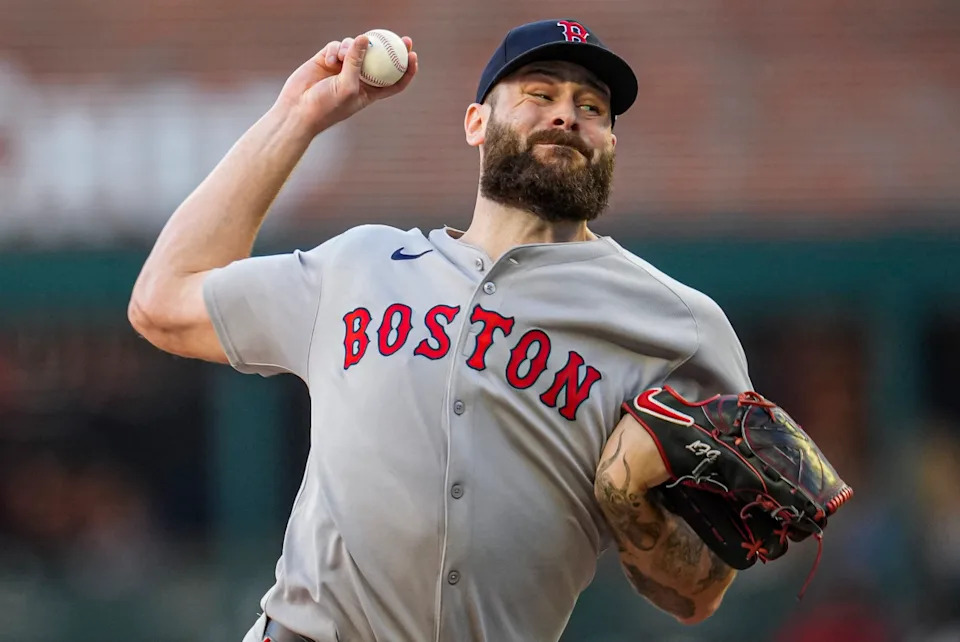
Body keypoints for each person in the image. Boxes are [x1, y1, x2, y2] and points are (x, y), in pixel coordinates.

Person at [129, 18, 750, 642]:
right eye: (540, 94)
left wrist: (631, 504)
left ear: (610, 143)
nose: (567, 115)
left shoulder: (676, 325)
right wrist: (298, 117)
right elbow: (162, 303)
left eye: (592, 106)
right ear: (476, 122)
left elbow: (695, 596)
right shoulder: (358, 266)